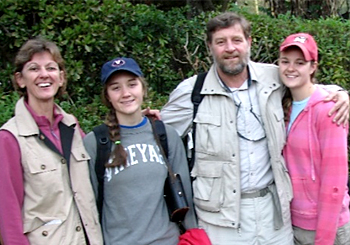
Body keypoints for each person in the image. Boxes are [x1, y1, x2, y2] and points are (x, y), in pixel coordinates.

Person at [160, 12, 349, 244]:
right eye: (221, 42)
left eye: (237, 40)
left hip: (274, 215)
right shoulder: (191, 93)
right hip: (220, 221)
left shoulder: (273, 77)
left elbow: (304, 82)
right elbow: (157, 137)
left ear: (249, 43)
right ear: (210, 47)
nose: (230, 48)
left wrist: (341, 93)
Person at [83, 57, 197, 245]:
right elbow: (89, 208)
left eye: (132, 84)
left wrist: (193, 237)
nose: (126, 93)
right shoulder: (95, 142)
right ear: (107, 96)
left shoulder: (166, 136)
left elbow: (186, 198)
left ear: (143, 89)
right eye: (116, 88)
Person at [0, 37, 103, 245]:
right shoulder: (9, 138)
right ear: (20, 79)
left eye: (51, 68)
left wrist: (138, 122)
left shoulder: (72, 127)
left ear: (61, 77)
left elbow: (103, 158)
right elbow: (8, 215)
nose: (44, 75)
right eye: (34, 68)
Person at [279, 33, 350, 245]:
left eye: (299, 63)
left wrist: (324, 238)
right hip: (294, 224)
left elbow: (334, 183)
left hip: (328, 227)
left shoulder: (329, 109)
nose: (291, 68)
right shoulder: (282, 105)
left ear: (312, 67)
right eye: (285, 62)